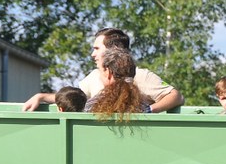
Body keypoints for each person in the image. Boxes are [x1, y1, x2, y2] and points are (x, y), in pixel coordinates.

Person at [22, 28, 184, 112]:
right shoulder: (93, 76)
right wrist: (42, 96)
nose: (93, 54)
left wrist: (148, 112)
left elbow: (176, 96)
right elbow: (74, 98)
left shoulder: (142, 75)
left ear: (113, 50)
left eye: (97, 48)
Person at [86, 46, 149, 120]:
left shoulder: (93, 105)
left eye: (100, 70)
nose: (99, 76)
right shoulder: (143, 108)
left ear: (108, 72)